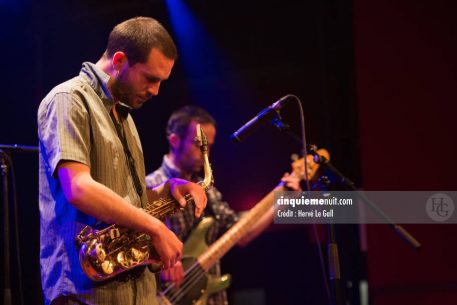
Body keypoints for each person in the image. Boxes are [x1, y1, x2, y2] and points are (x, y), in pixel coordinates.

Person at [37, 17, 207, 305]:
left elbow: (126, 201)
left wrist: (167, 190)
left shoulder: (123, 115)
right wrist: (154, 227)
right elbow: (78, 187)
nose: (155, 91)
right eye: (150, 79)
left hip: (136, 293)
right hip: (85, 293)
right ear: (119, 60)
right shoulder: (68, 99)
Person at [146, 105, 301, 304]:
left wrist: (280, 201)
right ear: (175, 140)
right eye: (199, 146)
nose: (206, 155)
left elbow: (240, 233)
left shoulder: (207, 189)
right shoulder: (148, 187)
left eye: (209, 147)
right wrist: (158, 258)